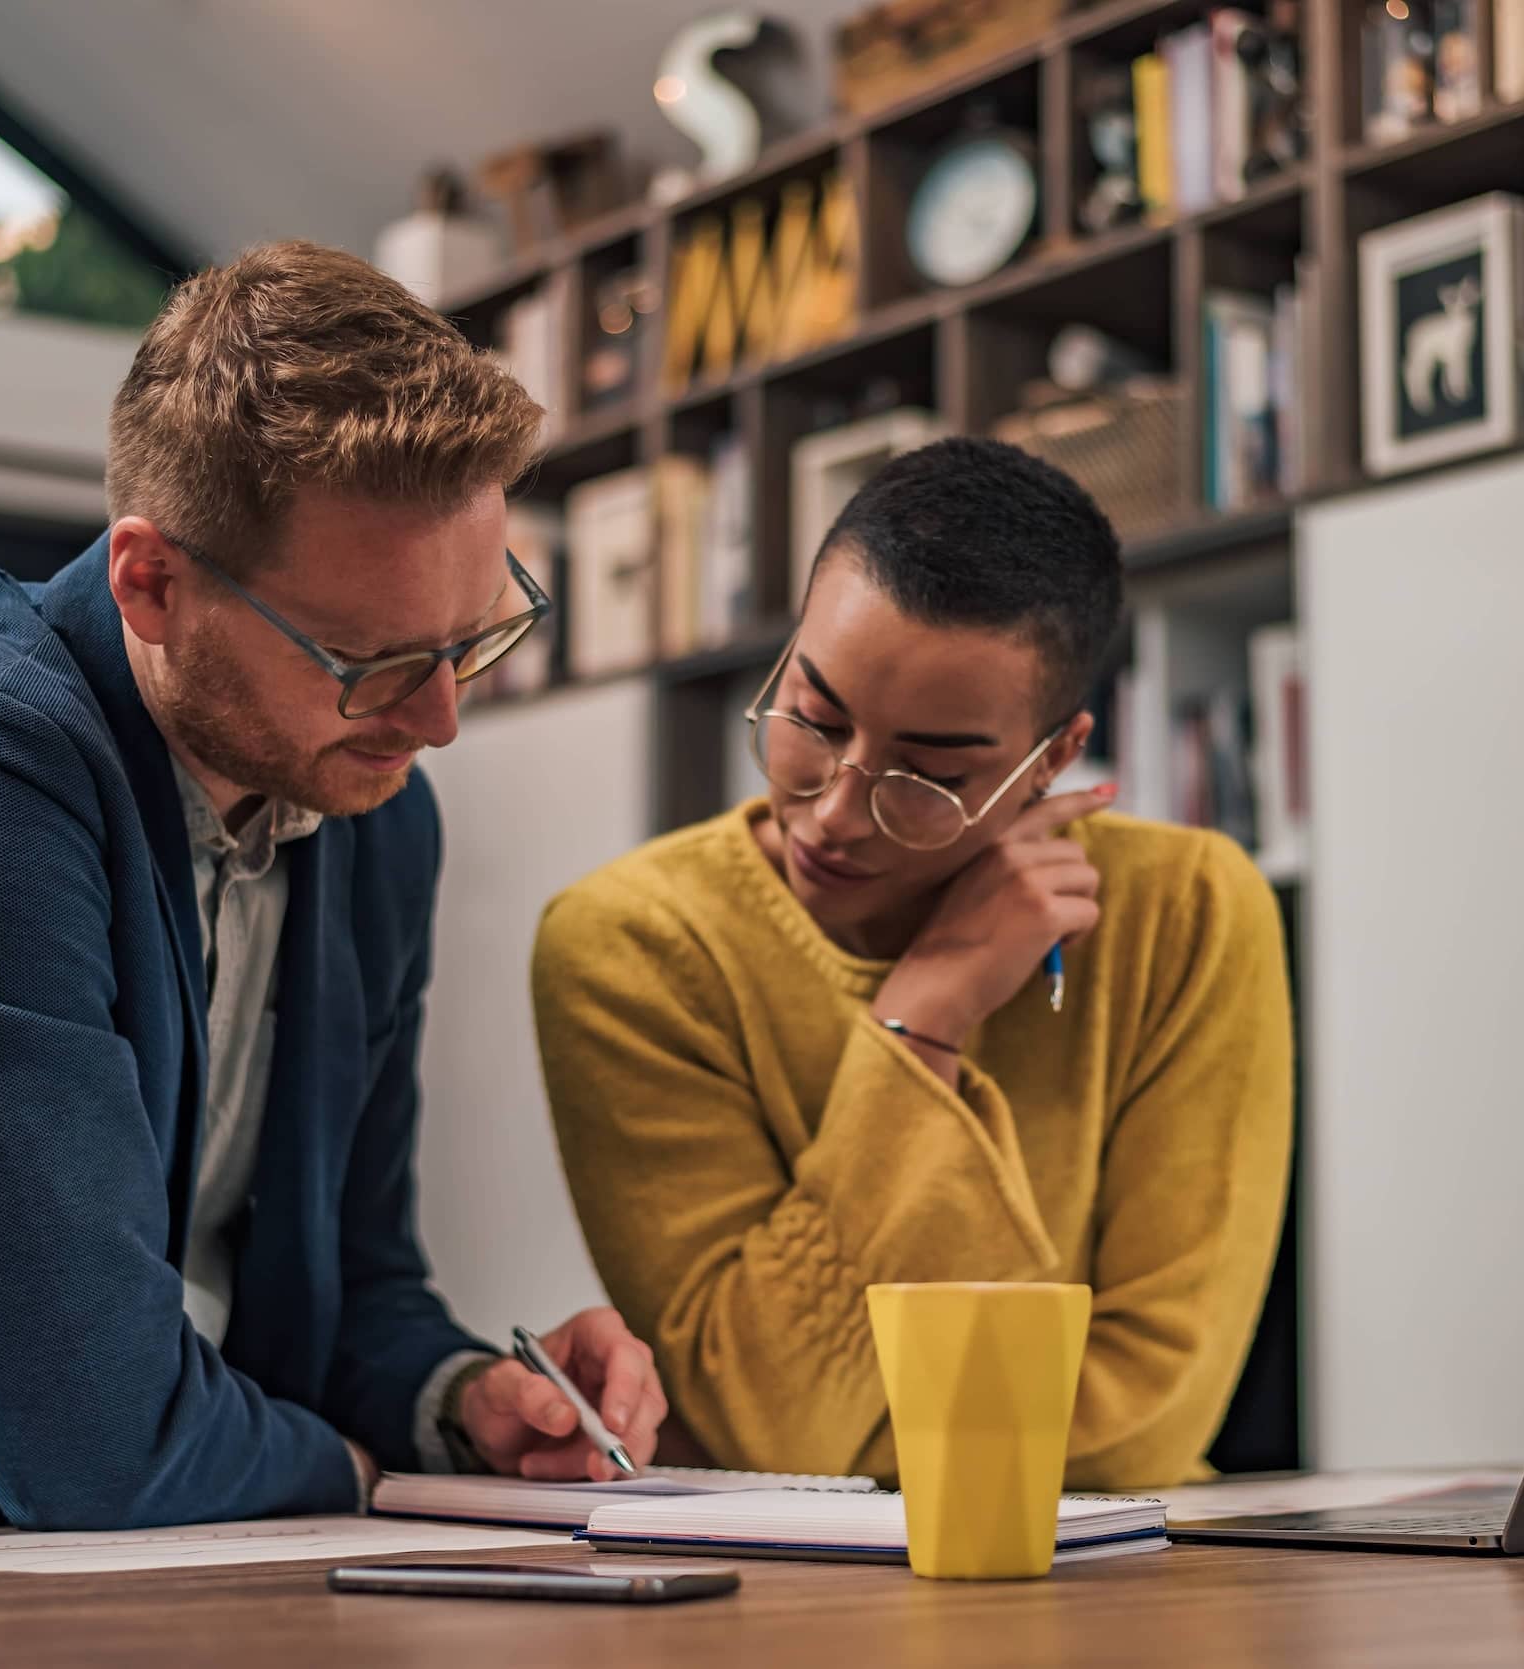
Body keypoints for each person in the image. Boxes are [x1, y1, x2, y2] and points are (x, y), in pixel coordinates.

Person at [0, 242, 666, 1541]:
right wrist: (361, 1471)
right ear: (151, 583)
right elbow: (96, 1432)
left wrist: (462, 1402)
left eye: (478, 636)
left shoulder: (373, 811)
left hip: (148, 1559)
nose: (440, 719)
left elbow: (349, 1282)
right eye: (372, 661)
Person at [534, 438, 1291, 1491]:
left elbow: (1150, 1421)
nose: (834, 814)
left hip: (1125, 1568)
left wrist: (848, 1450)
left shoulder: (1189, 912)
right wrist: (924, 1017)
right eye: (812, 717)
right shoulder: (632, 943)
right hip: (780, 1582)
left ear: (1054, 758)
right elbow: (766, 1430)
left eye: (930, 774)